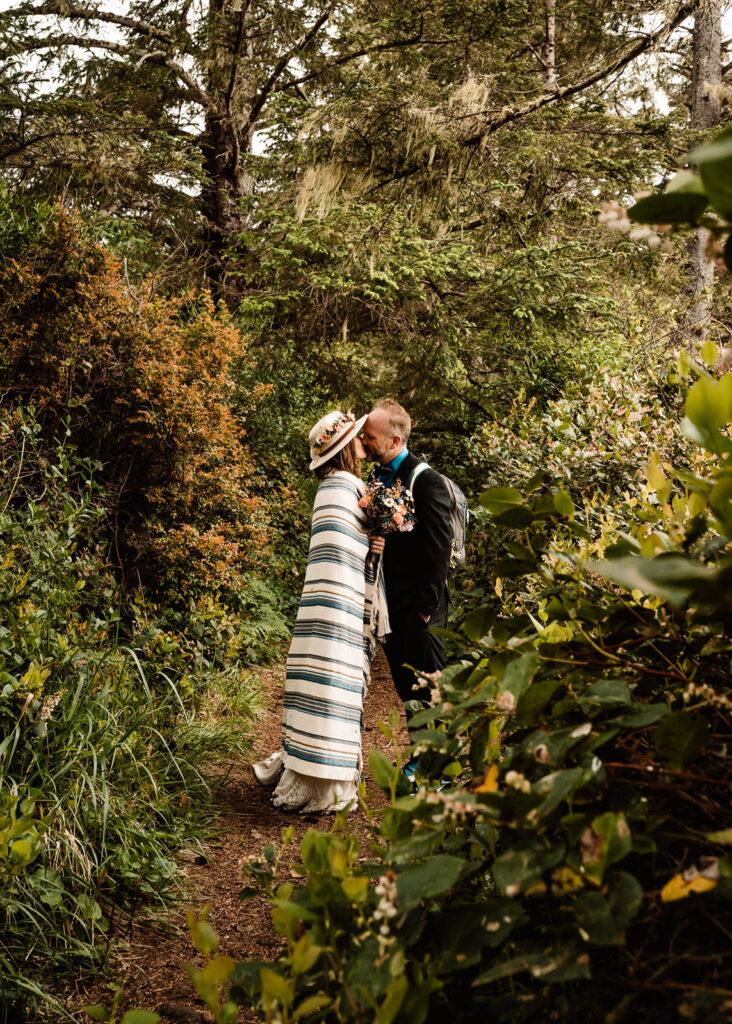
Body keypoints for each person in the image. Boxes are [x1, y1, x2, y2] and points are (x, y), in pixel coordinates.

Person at [252, 410, 388, 813]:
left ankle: (311, 764)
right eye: (357, 439)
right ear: (346, 447)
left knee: (321, 676)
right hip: (339, 608)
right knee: (333, 678)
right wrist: (376, 544)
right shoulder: (348, 488)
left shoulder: (331, 488)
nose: (364, 444)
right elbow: (350, 549)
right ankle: (322, 779)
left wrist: (373, 541)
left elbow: (346, 544)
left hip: (321, 605)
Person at [361, 399, 452, 715]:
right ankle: (419, 759)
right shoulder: (376, 477)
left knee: (428, 689)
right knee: (406, 689)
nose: (364, 442)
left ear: (395, 440)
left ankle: (437, 761)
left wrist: (424, 612)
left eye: (370, 436)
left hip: (420, 609)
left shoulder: (427, 482)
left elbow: (440, 550)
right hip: (389, 606)